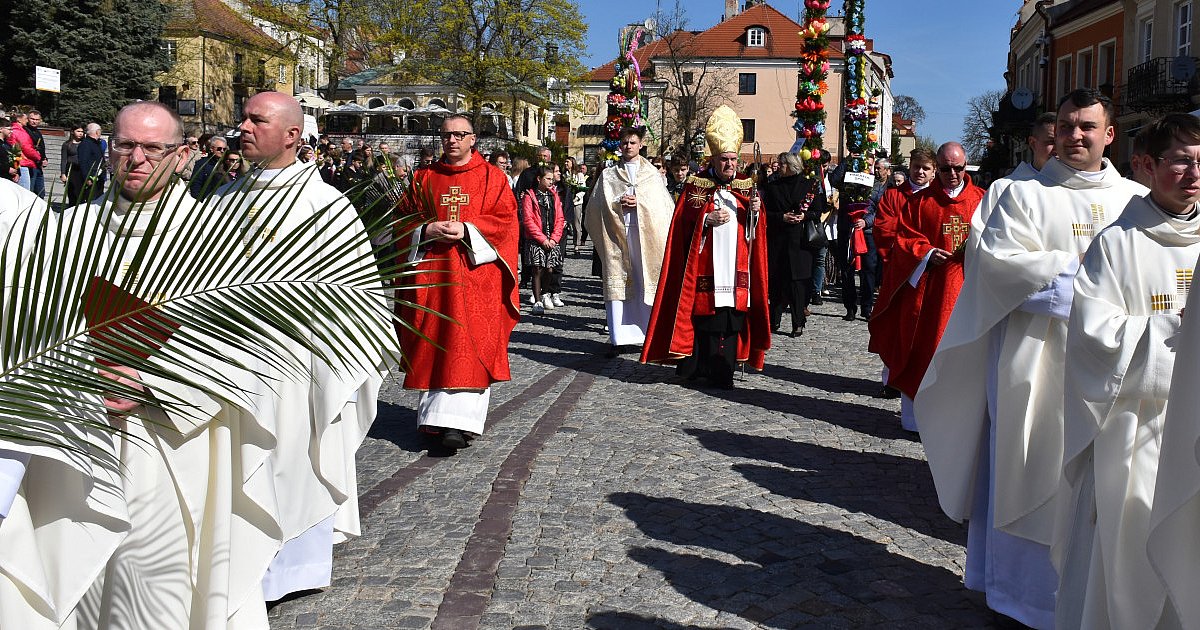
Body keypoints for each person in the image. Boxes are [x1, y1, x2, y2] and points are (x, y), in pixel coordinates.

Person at [914, 88, 1147, 629]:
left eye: (1087, 126)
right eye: (1066, 125)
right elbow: (994, 266)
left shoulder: (1136, 201)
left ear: (1110, 134)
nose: (1075, 135)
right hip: (1038, 365)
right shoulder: (1016, 195)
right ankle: (1025, 601)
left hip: (1113, 367)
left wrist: (1099, 288)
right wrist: (1090, 278)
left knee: (1103, 486)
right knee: (1032, 471)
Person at [216, 91, 394, 605]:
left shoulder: (325, 207)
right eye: (243, 118)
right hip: (232, 357)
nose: (243, 127)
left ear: (293, 135)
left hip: (300, 363)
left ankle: (293, 567)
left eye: (258, 120)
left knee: (294, 460)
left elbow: (357, 296)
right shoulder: (223, 199)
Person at [1056, 114, 1200, 630]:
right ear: (1148, 165)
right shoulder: (1117, 244)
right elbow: (1094, 336)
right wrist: (1171, 330)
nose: (1193, 172)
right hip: (1136, 426)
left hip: (1196, 429)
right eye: (1181, 160)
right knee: (1126, 552)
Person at [395, 114, 519, 451]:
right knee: (435, 338)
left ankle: (461, 423)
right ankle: (434, 419)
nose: (452, 141)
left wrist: (468, 230)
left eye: (460, 135)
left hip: (476, 277)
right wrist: (425, 229)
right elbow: (401, 221)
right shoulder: (424, 178)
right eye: (447, 135)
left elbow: (506, 223)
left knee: (469, 342)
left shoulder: (493, 178)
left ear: (473, 139)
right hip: (433, 275)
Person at [641, 105, 770, 388]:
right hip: (706, 265)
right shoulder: (696, 186)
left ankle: (725, 373)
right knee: (707, 319)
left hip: (736, 265)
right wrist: (705, 219)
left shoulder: (746, 188)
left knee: (732, 319)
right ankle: (699, 367)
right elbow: (683, 225)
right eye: (724, 160)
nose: (730, 165)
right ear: (713, 159)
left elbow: (756, 234)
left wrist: (756, 212)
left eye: (734, 160)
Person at [868, 143, 984, 429]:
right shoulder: (919, 203)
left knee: (965, 360)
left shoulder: (982, 201)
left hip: (970, 292)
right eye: (946, 169)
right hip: (929, 291)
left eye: (959, 168)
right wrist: (927, 253)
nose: (953, 174)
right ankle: (916, 420)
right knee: (922, 351)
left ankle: (959, 422)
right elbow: (905, 238)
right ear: (938, 169)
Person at [585, 127, 675, 356]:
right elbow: (596, 207)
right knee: (620, 283)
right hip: (617, 236)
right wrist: (617, 203)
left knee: (644, 281)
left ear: (641, 144)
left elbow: (663, 209)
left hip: (646, 237)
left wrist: (640, 204)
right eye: (624, 143)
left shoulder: (652, 175)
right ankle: (620, 336)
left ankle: (647, 332)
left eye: (632, 142)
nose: (628, 146)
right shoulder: (609, 174)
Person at [967, 112, 1056, 260]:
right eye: (1051, 141)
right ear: (1033, 143)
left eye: (1062, 141)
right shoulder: (1003, 188)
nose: (1057, 148)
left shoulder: (1075, 187)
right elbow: (981, 246)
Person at [763, 151, 826, 337]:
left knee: (798, 285)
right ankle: (773, 320)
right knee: (776, 283)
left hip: (800, 243)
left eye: (782, 164)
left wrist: (804, 216)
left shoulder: (809, 185)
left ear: (791, 166)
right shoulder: (773, 186)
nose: (779, 167)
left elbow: (818, 211)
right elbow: (767, 213)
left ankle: (798, 322)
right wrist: (781, 217)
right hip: (778, 241)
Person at [829, 153, 888, 320]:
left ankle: (867, 306)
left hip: (867, 232)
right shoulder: (848, 180)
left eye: (871, 165)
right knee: (847, 269)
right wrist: (846, 160)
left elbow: (879, 209)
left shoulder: (875, 184)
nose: (869, 168)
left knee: (868, 270)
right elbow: (834, 180)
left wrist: (866, 222)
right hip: (846, 229)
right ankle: (850, 307)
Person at [520, 165, 565, 314]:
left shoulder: (554, 195)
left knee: (550, 268)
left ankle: (546, 293)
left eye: (552, 179)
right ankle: (538, 299)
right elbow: (528, 220)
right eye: (548, 179)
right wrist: (541, 239)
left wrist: (554, 238)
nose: (551, 182)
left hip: (551, 238)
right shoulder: (529, 196)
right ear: (539, 179)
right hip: (536, 239)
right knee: (537, 269)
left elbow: (559, 218)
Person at [9, 112, 41, 191]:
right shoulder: (19, 132)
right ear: (19, 120)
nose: (27, 121)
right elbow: (27, 148)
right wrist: (38, 156)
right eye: (26, 118)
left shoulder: (15, 130)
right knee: (24, 191)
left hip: (18, 161)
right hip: (22, 162)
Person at [189, 135, 228, 200]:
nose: (222, 151)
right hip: (205, 201)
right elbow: (195, 185)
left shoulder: (227, 163)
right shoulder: (202, 163)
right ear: (211, 149)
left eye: (224, 149)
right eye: (219, 149)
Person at [76, 122, 107, 199]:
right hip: (91, 179)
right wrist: (87, 178)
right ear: (97, 132)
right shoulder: (86, 144)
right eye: (100, 130)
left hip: (98, 179)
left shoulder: (96, 143)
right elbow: (83, 162)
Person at [25, 110, 47, 198]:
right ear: (27, 119)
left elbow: (42, 148)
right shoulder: (25, 130)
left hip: (38, 165)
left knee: (40, 193)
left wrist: (45, 159)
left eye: (37, 119)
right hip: (30, 165)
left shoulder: (38, 132)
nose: (34, 121)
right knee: (30, 191)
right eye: (32, 119)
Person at [59, 125, 84, 202]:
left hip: (81, 170)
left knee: (81, 193)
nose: (80, 133)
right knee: (72, 192)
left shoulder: (84, 144)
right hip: (71, 170)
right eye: (78, 131)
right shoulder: (67, 144)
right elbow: (63, 159)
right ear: (73, 132)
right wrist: (63, 174)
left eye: (82, 131)